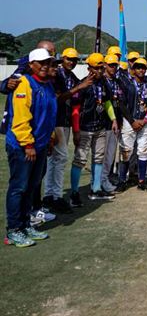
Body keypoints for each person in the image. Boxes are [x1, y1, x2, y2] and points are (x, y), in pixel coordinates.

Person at [4, 49, 57, 247]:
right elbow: (20, 118)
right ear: (31, 65)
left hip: (40, 145)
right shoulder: (24, 84)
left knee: (31, 186)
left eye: (48, 62)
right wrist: (28, 144)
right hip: (23, 146)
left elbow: (49, 115)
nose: (45, 66)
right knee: (19, 187)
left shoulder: (48, 85)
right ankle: (13, 229)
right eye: (40, 62)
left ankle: (26, 225)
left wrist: (49, 138)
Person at [44, 47, 93, 213]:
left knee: (55, 160)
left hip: (65, 121)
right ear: (62, 59)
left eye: (74, 60)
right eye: (68, 59)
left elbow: (76, 102)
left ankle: (50, 195)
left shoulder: (71, 76)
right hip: (56, 120)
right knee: (60, 158)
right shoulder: (56, 75)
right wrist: (79, 88)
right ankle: (55, 196)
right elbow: (58, 99)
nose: (71, 62)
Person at [68, 53, 119, 204]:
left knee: (98, 159)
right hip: (85, 128)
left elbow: (107, 102)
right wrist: (76, 130)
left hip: (100, 128)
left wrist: (113, 119)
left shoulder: (103, 83)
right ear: (89, 68)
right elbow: (75, 109)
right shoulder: (83, 85)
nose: (100, 71)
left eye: (101, 68)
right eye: (96, 68)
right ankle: (74, 193)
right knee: (79, 160)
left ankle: (96, 189)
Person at [116, 57, 147, 192]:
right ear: (133, 69)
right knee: (126, 151)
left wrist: (145, 120)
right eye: (138, 67)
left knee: (143, 151)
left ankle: (142, 181)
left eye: (143, 68)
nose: (141, 70)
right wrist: (132, 121)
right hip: (129, 122)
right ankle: (122, 180)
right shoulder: (127, 84)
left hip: (144, 122)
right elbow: (121, 104)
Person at [102, 53, 123, 189]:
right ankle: (99, 182)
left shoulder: (117, 81)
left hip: (116, 122)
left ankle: (105, 180)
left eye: (115, 65)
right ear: (105, 65)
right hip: (104, 122)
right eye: (111, 65)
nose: (113, 68)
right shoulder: (102, 81)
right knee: (102, 155)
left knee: (110, 154)